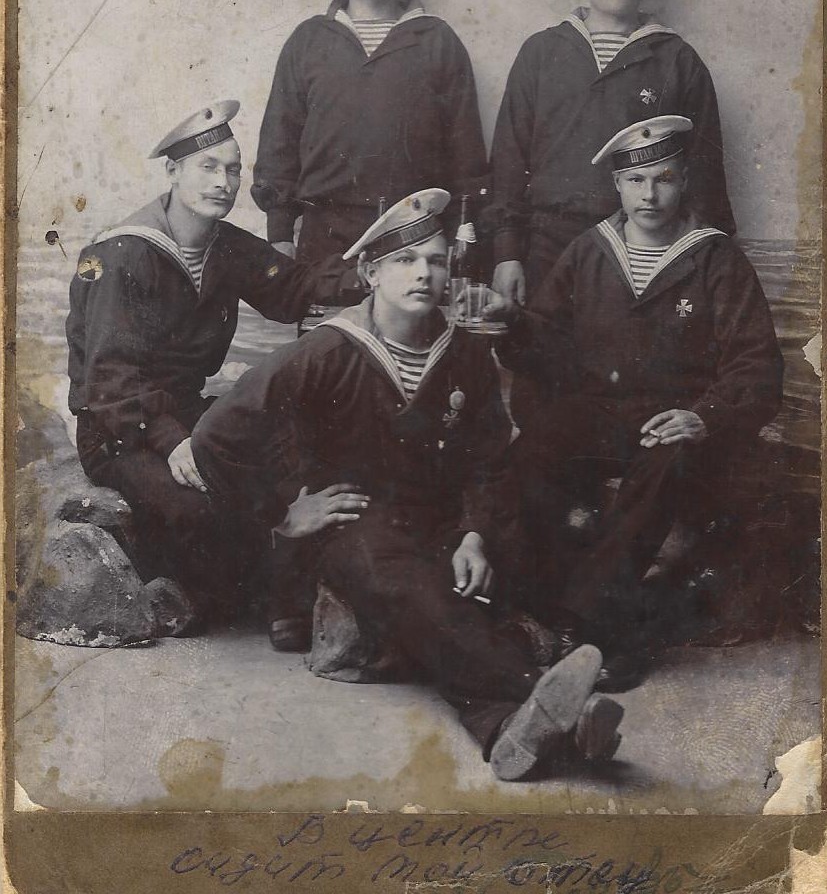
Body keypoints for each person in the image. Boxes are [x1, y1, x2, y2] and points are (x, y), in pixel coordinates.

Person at [191, 189, 624, 781]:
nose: (424, 273)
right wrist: (281, 515)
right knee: (414, 589)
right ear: (370, 273)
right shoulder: (327, 349)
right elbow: (215, 436)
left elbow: (489, 460)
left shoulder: (464, 350)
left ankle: (506, 728)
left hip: (439, 521)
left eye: (437, 261)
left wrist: (474, 535)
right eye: (405, 260)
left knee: (489, 575)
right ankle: (546, 701)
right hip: (355, 525)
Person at [489, 116, 783, 687]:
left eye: (664, 179)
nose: (650, 195)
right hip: (598, 412)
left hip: (673, 420)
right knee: (534, 450)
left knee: (666, 460)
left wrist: (705, 416)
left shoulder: (715, 258)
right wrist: (512, 323)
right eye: (636, 180)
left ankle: (595, 630)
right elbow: (546, 343)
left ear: (684, 182)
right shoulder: (589, 250)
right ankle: (533, 610)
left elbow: (757, 366)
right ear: (617, 185)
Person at [66, 100, 346, 626]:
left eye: (233, 170)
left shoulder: (227, 246)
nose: (224, 182)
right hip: (119, 432)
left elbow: (293, 289)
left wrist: (371, 275)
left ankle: (288, 596)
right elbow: (110, 382)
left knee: (296, 445)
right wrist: (174, 441)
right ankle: (265, 580)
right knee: (196, 508)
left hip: (186, 411)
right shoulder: (124, 253)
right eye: (208, 167)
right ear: (173, 172)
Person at [490, 0, 736, 306]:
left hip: (642, 248)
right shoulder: (541, 52)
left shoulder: (677, 59)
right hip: (547, 245)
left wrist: (710, 266)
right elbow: (508, 160)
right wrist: (506, 253)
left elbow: (705, 175)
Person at [251, 0, 488, 272]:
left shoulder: (436, 39)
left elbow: (467, 155)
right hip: (324, 235)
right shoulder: (309, 40)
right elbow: (279, 142)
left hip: (415, 235)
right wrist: (279, 233)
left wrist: (462, 232)